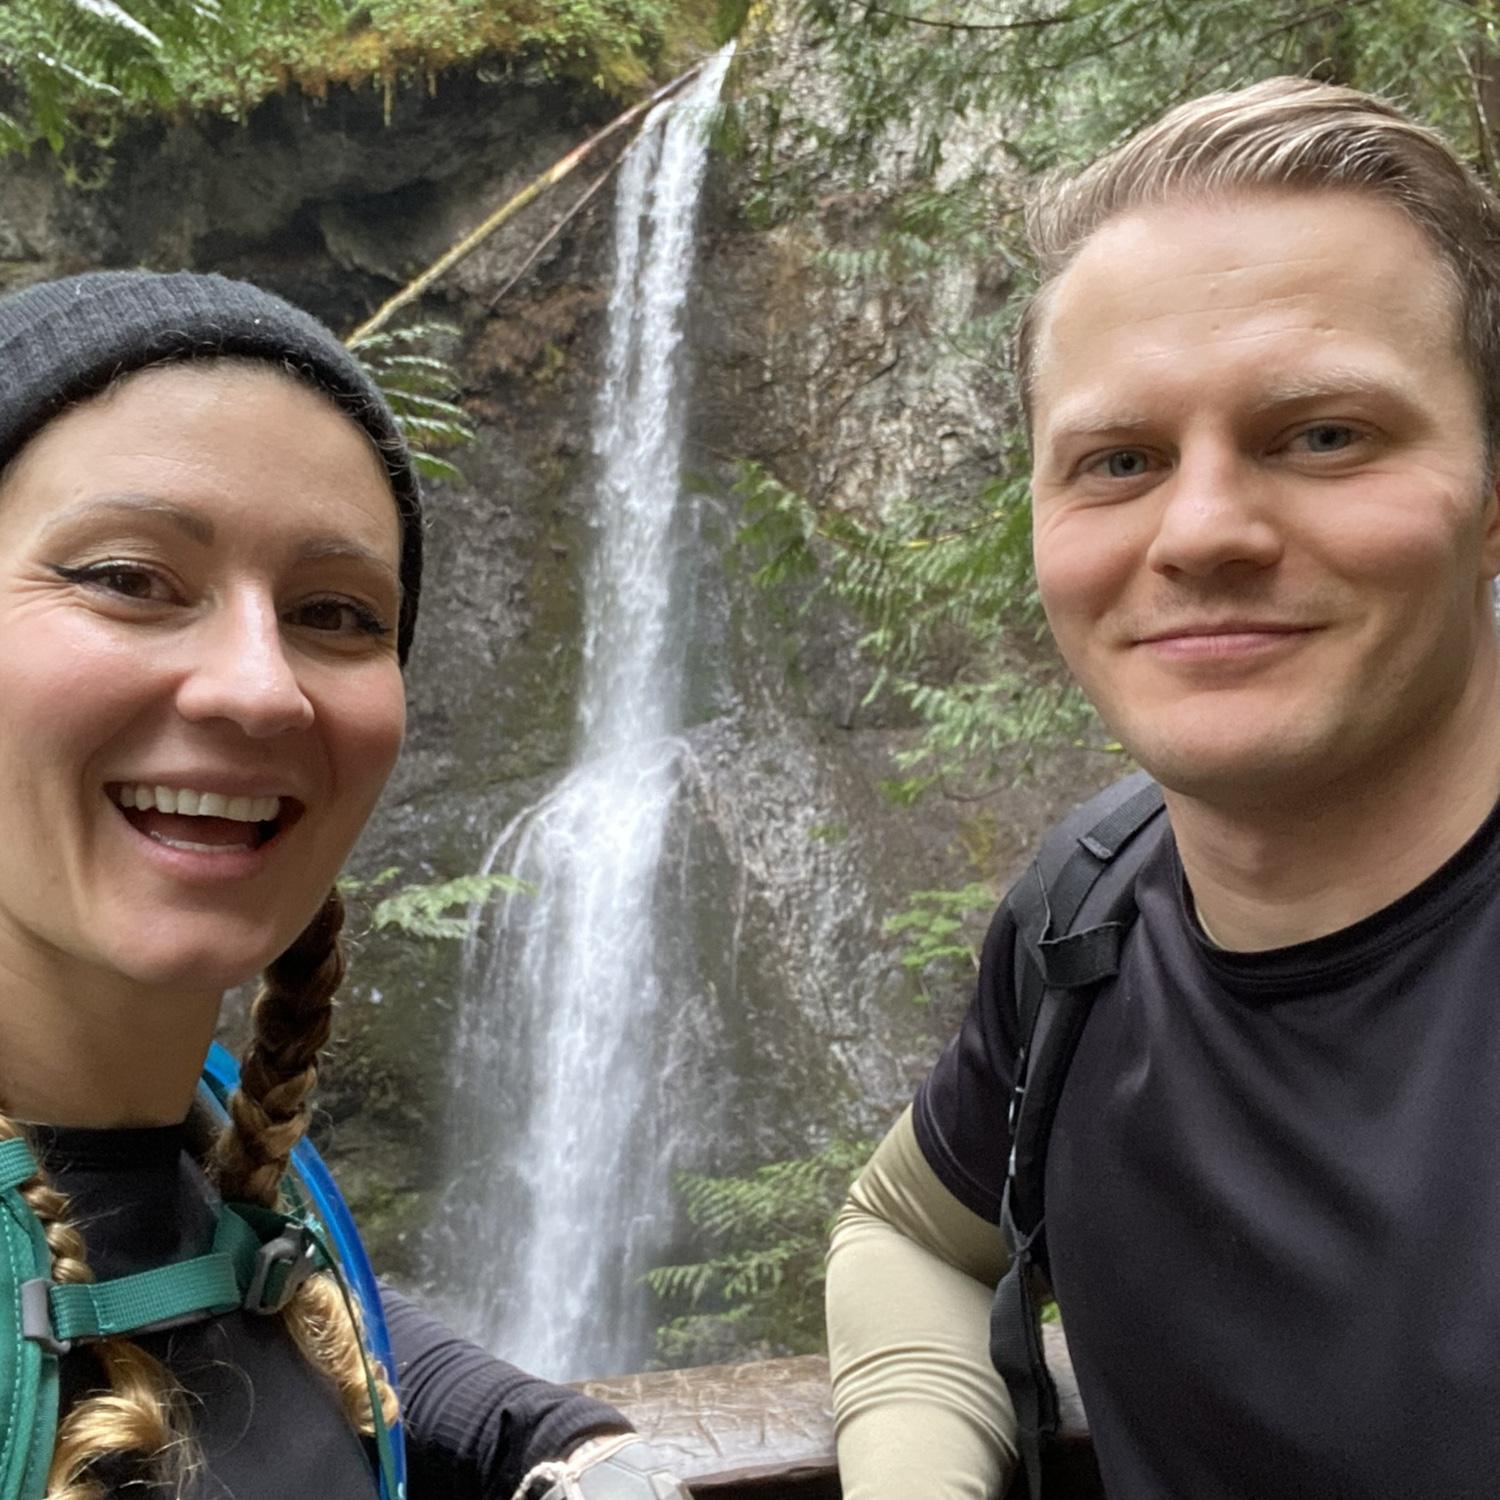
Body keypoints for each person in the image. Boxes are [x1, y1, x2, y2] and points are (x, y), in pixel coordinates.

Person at [826, 75, 1500, 1499]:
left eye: (1322, 435)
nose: (1201, 531)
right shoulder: (1090, 916)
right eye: (1119, 460)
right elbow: (906, 1229)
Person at [0, 268, 693, 1500]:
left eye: (333, 611)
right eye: (126, 576)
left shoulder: (228, 1154)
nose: (260, 688)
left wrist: (537, 1430)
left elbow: (217, 1279)